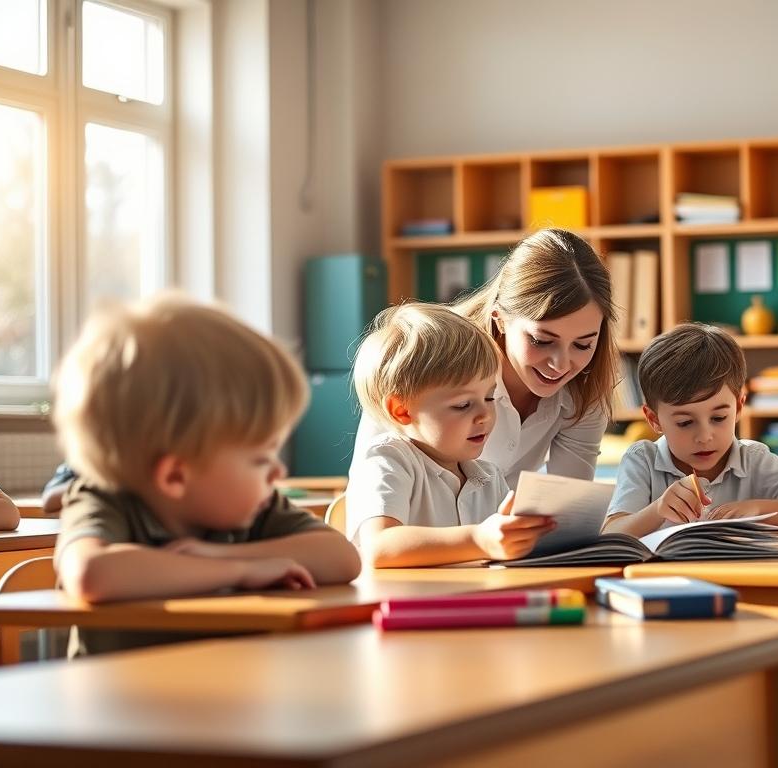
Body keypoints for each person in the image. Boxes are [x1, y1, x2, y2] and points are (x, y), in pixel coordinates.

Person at [51, 295, 361, 656]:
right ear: (176, 476)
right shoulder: (103, 499)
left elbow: (342, 558)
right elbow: (92, 574)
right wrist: (240, 570)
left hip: (228, 699)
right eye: (260, 459)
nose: (279, 471)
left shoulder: (253, 506)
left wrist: (212, 554)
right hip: (120, 705)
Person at [350, 228, 619, 486]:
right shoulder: (429, 356)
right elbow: (370, 487)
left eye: (583, 345)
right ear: (500, 319)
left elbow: (569, 508)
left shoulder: (586, 385)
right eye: (541, 341)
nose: (560, 364)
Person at [346, 303, 554, 566]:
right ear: (401, 410)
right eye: (463, 405)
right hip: (406, 605)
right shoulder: (388, 460)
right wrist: (479, 540)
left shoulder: (490, 477)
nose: (486, 415)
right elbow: (379, 547)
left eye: (490, 397)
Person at [604, 323, 778, 536]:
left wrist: (757, 508)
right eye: (685, 422)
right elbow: (611, 534)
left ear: (738, 407)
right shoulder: (642, 460)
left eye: (718, 417)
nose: (705, 437)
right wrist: (657, 510)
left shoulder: (755, 459)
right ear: (654, 419)